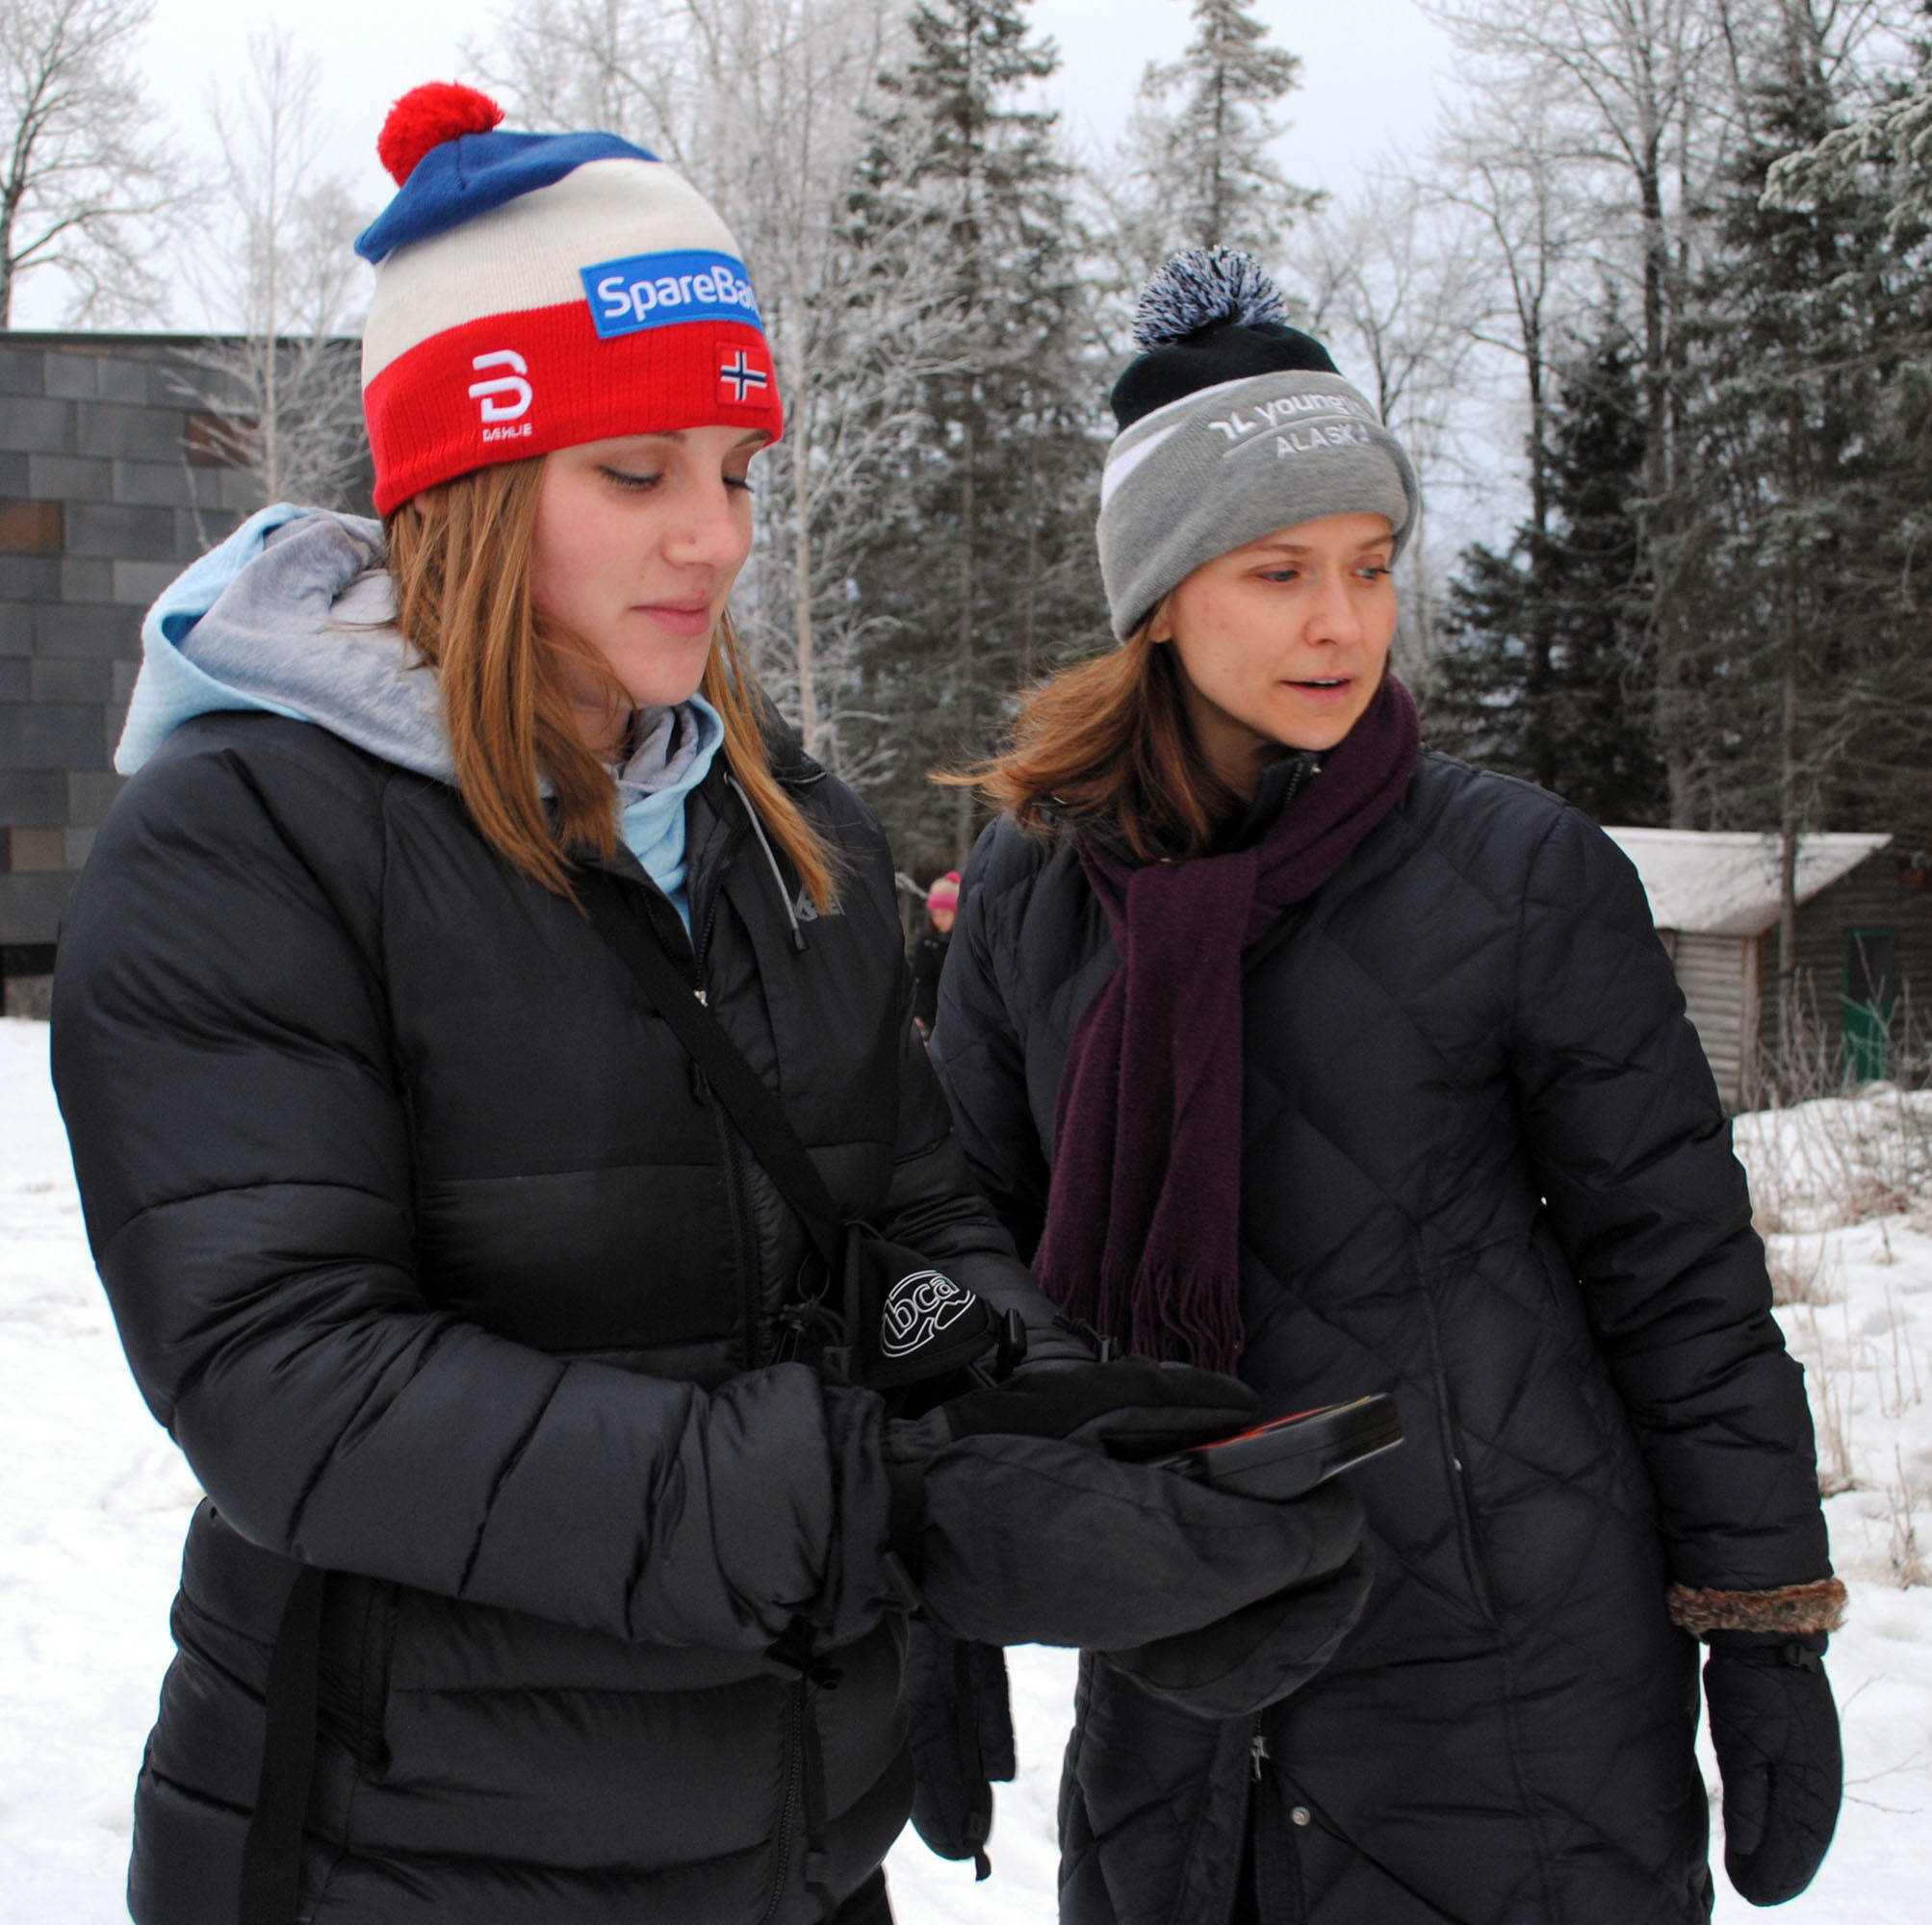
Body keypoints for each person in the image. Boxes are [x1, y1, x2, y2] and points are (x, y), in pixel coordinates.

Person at [49, 111, 1371, 1925]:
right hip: (405, 1853)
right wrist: (883, 1510)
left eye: (740, 471)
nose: (715, 536)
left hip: (795, 1841)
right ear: (472, 480)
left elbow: (899, 1232)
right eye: (639, 470)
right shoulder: (243, 840)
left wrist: (1065, 1458)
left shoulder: (784, 827)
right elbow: (293, 1384)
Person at [927, 248, 1846, 1925]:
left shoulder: (1515, 873)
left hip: (1510, 1695)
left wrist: (1760, 1611)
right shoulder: (1027, 891)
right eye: (1276, 571)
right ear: (1157, 602)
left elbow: (1675, 1274)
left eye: (1370, 564)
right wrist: (930, 1592)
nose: (1341, 621)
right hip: (1178, 1687)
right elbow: (962, 1262)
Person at [909, 871, 960, 1038]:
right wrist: (919, 1013)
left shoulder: (964, 941)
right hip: (933, 1014)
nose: (939, 919)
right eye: (935, 915)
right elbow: (922, 980)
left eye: (944, 914)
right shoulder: (927, 942)